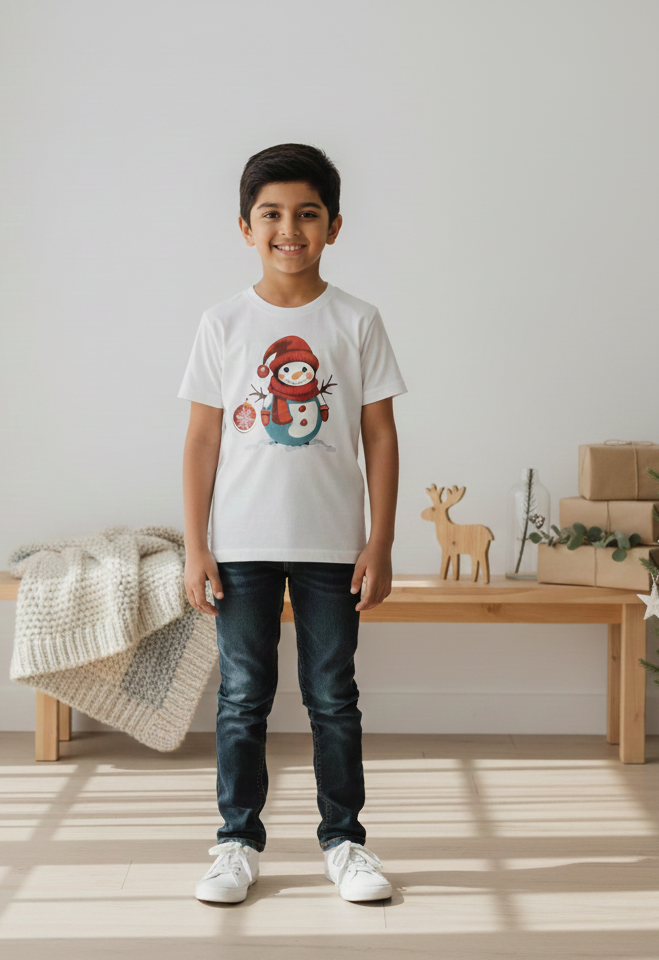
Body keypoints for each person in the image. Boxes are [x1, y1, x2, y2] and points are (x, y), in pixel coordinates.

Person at [177, 143, 408, 904]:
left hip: (333, 546)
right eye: (272, 214)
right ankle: (235, 842)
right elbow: (203, 439)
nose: (290, 228)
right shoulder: (222, 322)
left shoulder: (358, 319)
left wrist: (380, 539)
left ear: (334, 226)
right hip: (240, 546)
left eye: (307, 213)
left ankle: (345, 843)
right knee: (243, 695)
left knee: (332, 694)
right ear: (245, 227)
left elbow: (379, 434)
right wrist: (197, 547)